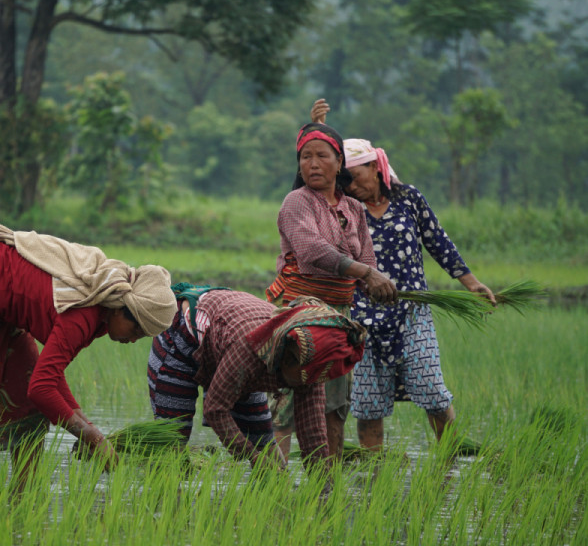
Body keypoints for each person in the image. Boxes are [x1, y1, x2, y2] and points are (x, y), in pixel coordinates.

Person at [0, 223, 178, 475]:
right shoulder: (83, 314)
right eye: (136, 331)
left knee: (27, 406)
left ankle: (25, 498)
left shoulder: (101, 313)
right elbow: (43, 387)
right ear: (121, 309)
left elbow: (49, 377)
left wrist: (89, 428)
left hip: (0, 307)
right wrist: (91, 436)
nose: (133, 340)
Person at [310, 98, 496, 451]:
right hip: (362, 321)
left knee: (433, 391)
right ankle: (374, 477)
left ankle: (451, 460)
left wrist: (470, 282)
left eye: (356, 175)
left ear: (376, 167)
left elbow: (437, 241)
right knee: (368, 406)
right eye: (344, 180)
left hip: (412, 313)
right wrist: (317, 130)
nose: (351, 185)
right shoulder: (343, 209)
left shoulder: (409, 199)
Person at [266, 121, 397, 460]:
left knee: (335, 405)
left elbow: (366, 257)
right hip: (298, 313)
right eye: (305, 157)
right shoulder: (296, 202)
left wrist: (378, 285)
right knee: (285, 402)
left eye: (321, 156)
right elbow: (313, 253)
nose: (312, 163)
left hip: (339, 317)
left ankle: (327, 487)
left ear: (339, 162)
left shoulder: (353, 209)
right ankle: (273, 483)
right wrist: (368, 274)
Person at [157, 289, 367, 471]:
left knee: (272, 462)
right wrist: (252, 456)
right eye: (304, 376)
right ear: (287, 356)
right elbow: (215, 408)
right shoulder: (250, 351)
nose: (308, 384)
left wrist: (324, 486)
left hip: (230, 347)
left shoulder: (312, 368)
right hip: (184, 336)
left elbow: (312, 432)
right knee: (170, 446)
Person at [147, 283, 274, 452]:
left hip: (227, 339)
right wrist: (249, 453)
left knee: (262, 439)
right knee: (171, 442)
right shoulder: (247, 350)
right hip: (181, 338)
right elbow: (215, 409)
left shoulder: (300, 361)